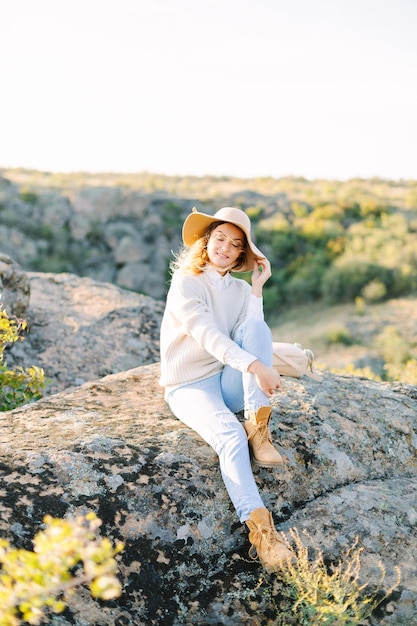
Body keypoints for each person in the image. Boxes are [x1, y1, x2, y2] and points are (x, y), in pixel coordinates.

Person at [159, 206, 294, 571]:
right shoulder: (186, 282)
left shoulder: (236, 289)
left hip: (225, 379)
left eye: (236, 244)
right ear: (207, 241)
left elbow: (252, 335)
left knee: (257, 328)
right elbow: (208, 335)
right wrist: (255, 367)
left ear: (240, 255)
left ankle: (258, 424)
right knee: (230, 437)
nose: (225, 247)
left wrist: (256, 289)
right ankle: (263, 534)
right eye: (220, 238)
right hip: (189, 385)